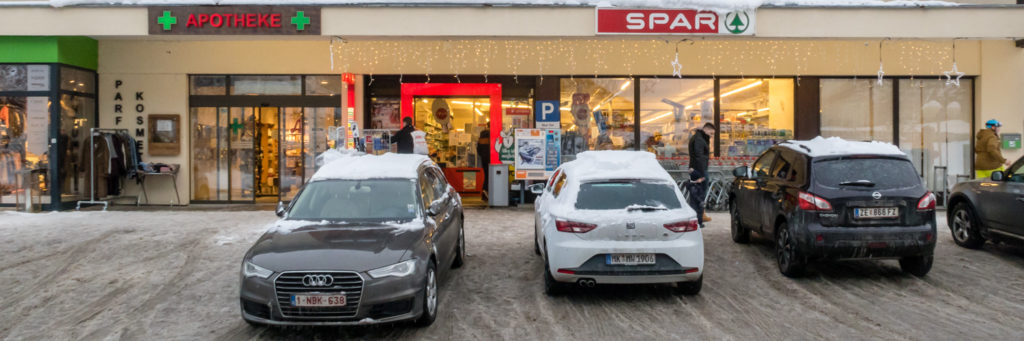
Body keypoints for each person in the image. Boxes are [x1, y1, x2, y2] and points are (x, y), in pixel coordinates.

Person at [687, 123, 715, 228]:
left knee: (697, 195)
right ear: (706, 130)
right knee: (698, 195)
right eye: (711, 133)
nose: (711, 136)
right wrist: (702, 173)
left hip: (697, 169)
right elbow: (699, 157)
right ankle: (697, 220)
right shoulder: (699, 139)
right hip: (699, 171)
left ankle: (698, 218)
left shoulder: (699, 137)